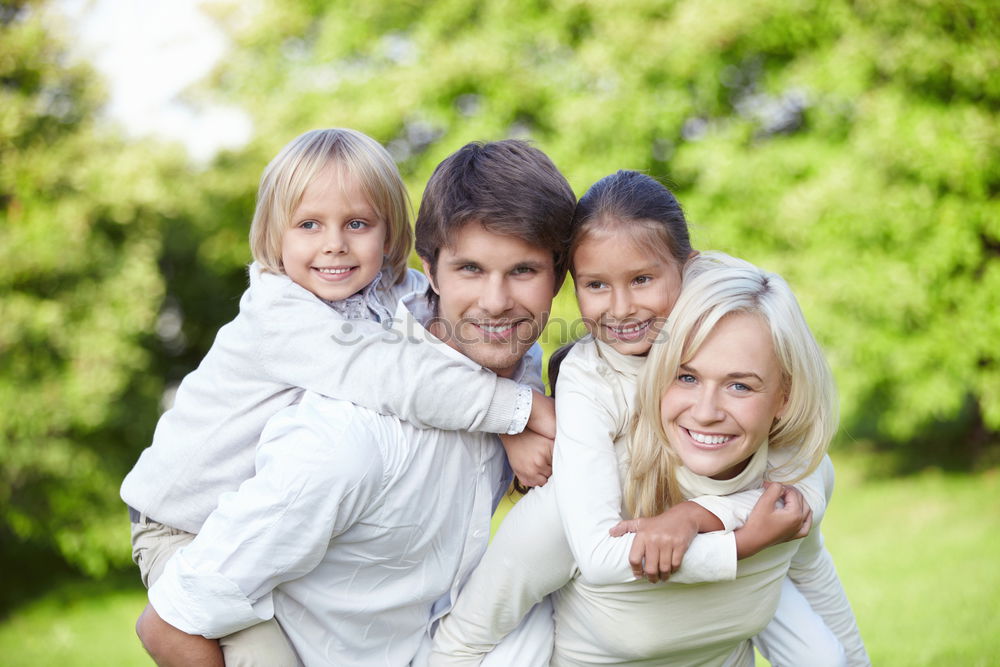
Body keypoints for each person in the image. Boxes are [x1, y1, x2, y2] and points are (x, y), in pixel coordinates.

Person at [133, 139, 577, 666]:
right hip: (183, 521)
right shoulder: (281, 314)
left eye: (358, 225)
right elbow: (395, 375)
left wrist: (509, 421)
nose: (334, 245)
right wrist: (522, 413)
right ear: (273, 235)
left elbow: (458, 359)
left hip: (270, 532)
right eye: (308, 225)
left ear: (391, 236)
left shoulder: (390, 296)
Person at [430, 175, 868, 665]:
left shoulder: (736, 373)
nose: (621, 308)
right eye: (596, 285)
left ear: (687, 271)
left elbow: (803, 515)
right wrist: (516, 418)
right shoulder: (589, 384)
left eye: (641, 280)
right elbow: (595, 554)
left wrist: (700, 519)